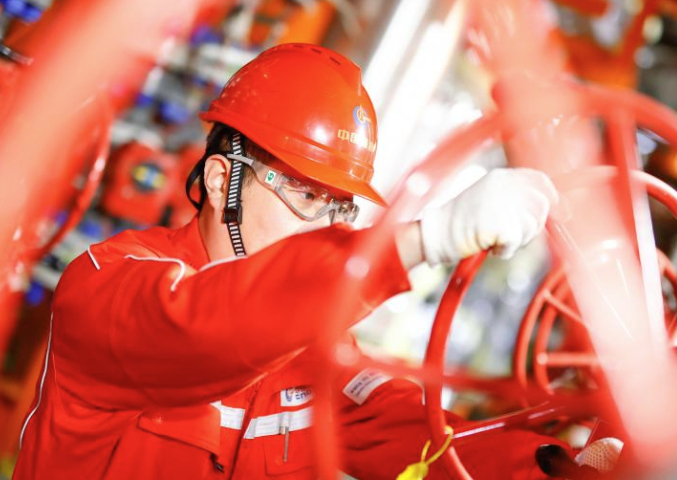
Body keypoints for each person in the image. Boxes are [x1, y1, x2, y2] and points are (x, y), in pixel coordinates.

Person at [13, 43, 574, 480]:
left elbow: (428, 443)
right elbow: (207, 326)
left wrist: (570, 465)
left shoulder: (318, 353)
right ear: (219, 182)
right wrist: (421, 240)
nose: (324, 224)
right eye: (305, 194)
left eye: (338, 205)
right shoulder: (106, 281)